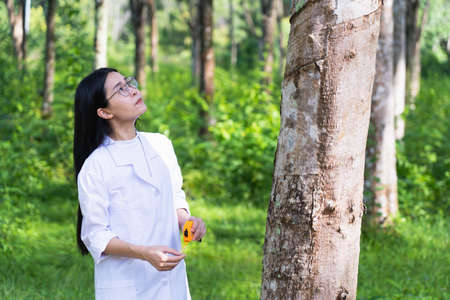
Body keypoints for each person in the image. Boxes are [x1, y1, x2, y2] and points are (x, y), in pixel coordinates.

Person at [73, 68, 206, 300]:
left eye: (128, 83)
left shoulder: (161, 145)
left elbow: (174, 198)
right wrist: (143, 253)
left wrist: (188, 223)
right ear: (104, 112)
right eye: (120, 89)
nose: (132, 90)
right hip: (126, 284)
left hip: (171, 280)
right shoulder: (96, 165)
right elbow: (95, 235)